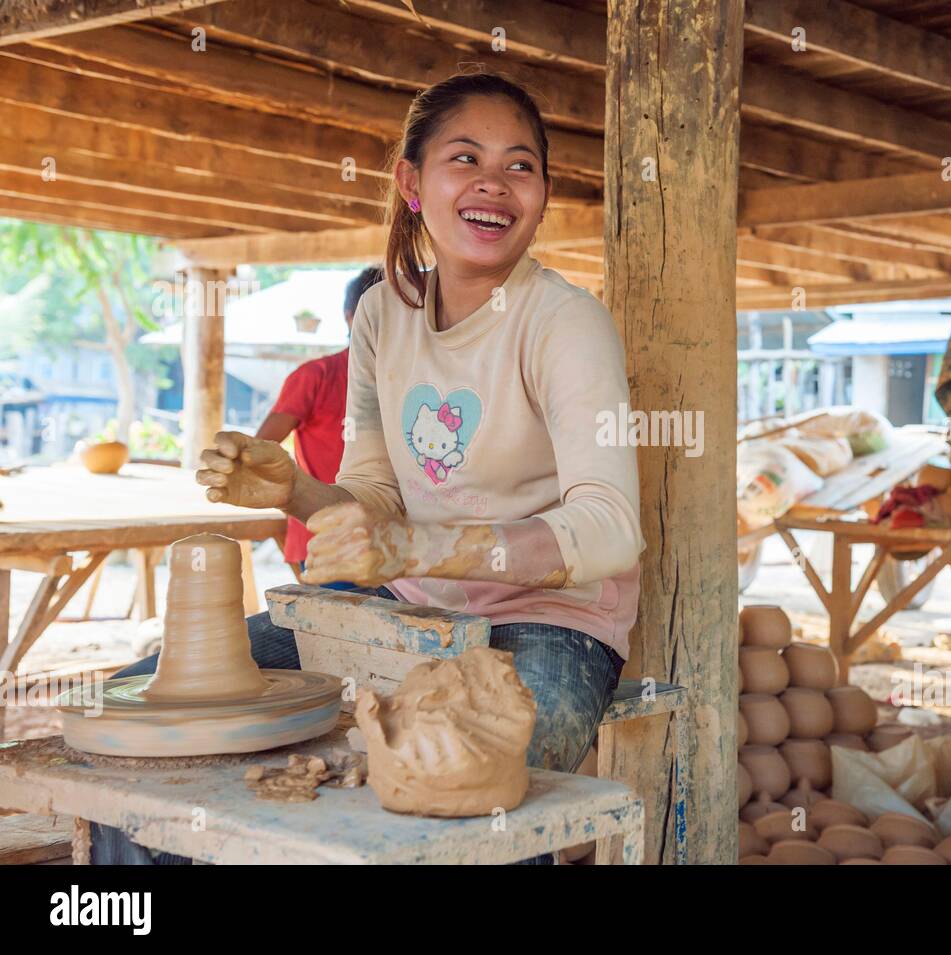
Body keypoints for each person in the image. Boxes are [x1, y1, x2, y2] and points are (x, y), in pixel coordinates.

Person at [91, 73, 643, 864]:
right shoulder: (383, 314)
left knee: (460, 785)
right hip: (405, 606)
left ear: (544, 196)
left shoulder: (565, 323)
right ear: (411, 182)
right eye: (465, 158)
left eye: (520, 166)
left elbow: (610, 528)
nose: (494, 182)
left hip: (549, 624)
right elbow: (375, 496)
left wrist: (414, 549)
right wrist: (292, 489)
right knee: (140, 722)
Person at [256, 267, 383, 581]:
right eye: (377, 315)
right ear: (350, 317)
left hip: (391, 543)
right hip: (323, 541)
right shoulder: (316, 377)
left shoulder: (409, 382)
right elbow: (259, 451)